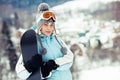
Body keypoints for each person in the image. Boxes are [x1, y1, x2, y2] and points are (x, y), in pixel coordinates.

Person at [15, 4, 74, 80]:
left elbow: (70, 58)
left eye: (51, 25)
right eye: (45, 24)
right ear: (40, 25)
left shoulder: (56, 39)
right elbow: (20, 72)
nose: (49, 28)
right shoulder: (34, 42)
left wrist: (54, 64)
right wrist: (31, 66)